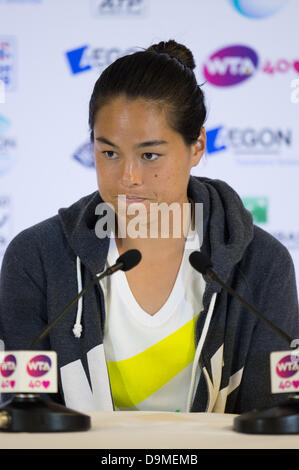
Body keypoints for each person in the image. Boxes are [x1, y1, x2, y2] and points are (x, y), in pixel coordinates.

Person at [0, 40, 298, 414]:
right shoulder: (37, 258)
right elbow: (21, 417)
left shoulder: (262, 263)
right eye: (109, 153)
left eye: (150, 155)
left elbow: (273, 425)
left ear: (197, 146)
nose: (128, 177)